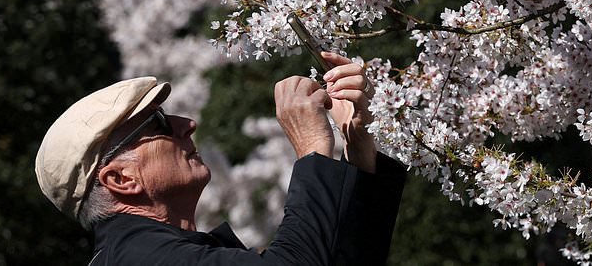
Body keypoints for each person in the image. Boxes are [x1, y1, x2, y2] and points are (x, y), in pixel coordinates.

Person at [35, 51, 405, 265]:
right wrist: (311, 149)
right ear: (121, 180)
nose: (188, 124)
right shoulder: (143, 258)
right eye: (159, 123)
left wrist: (358, 154)